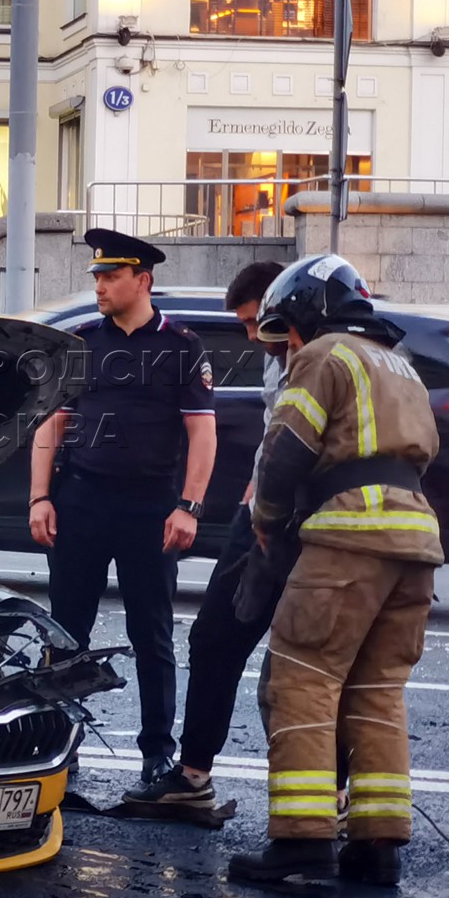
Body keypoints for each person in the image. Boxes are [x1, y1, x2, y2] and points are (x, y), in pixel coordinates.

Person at [228, 254, 443, 887]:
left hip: (348, 538)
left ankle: (301, 843)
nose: (285, 348)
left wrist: (266, 520)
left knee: (302, 683)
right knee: (378, 693)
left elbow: (286, 448)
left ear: (307, 316)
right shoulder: (401, 366)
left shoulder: (324, 356)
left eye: (285, 333)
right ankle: (375, 849)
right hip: (415, 545)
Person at [28, 228, 218, 785]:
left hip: (149, 508)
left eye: (111, 277)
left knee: (152, 633)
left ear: (143, 280)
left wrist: (190, 506)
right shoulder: (84, 342)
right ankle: (60, 751)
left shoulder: (181, 346)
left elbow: (202, 434)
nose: (100, 287)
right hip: (81, 499)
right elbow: (51, 423)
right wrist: (40, 496)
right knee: (66, 635)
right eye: (97, 277)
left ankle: (157, 754)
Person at [124, 260, 288, 814]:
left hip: (288, 523)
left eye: (253, 319)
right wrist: (249, 496)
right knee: (222, 641)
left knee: (291, 665)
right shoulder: (284, 361)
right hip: (265, 513)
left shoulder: (314, 360)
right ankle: (192, 778)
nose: (250, 335)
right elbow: (275, 441)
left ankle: (199, 780)